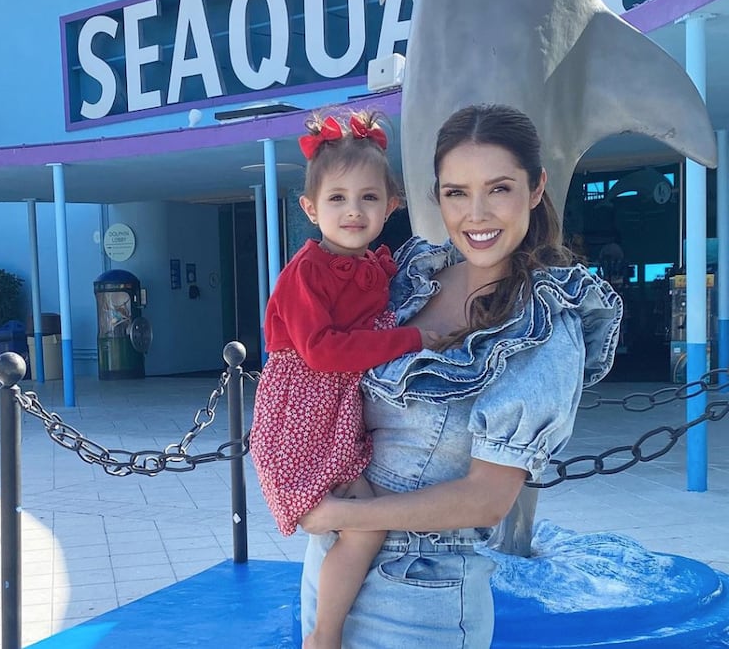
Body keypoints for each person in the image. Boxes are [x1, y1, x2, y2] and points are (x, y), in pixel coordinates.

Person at [299, 104, 622, 648]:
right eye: (456, 192)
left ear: (536, 188)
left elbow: (487, 498)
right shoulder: (411, 277)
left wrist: (352, 514)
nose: (476, 214)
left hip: (420, 591)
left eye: (498, 189)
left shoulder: (544, 325)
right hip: (330, 562)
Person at [249, 110, 441, 649]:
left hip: (339, 414)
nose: (353, 211)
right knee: (349, 520)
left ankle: (323, 633)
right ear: (310, 209)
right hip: (302, 414)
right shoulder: (307, 272)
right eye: (337, 198)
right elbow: (324, 352)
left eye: (368, 198)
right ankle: (325, 633)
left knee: (369, 526)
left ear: (391, 206)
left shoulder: (380, 267)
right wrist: (415, 340)